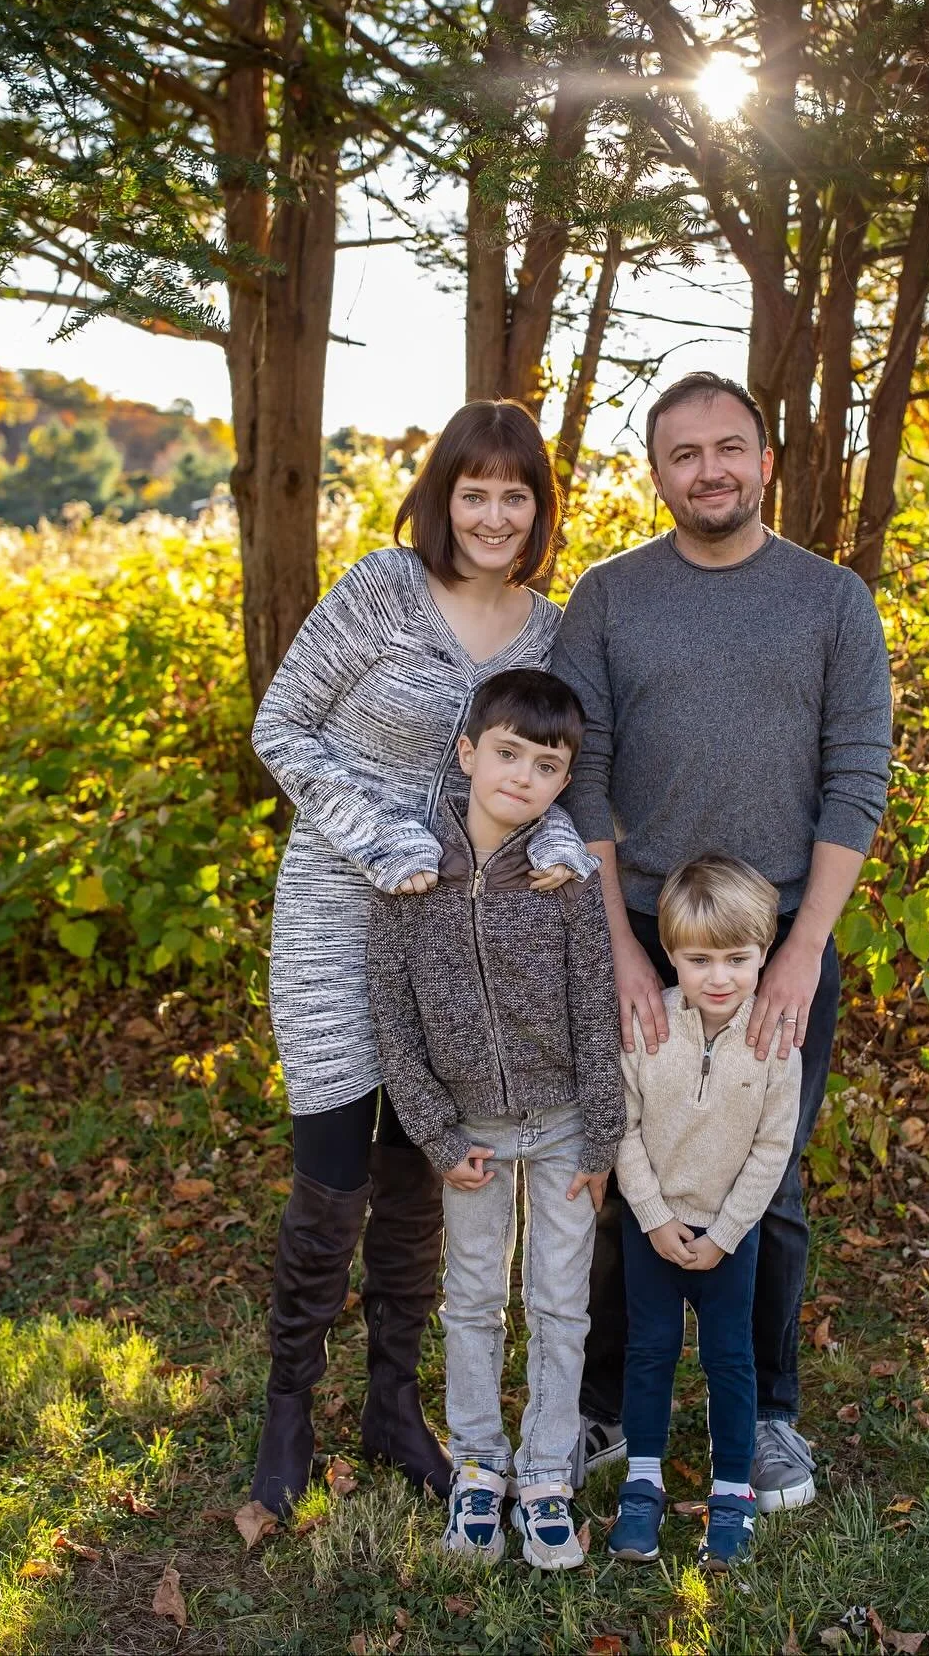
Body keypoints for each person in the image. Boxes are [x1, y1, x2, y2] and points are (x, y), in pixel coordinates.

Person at [552, 371, 893, 1510]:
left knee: (773, 1178)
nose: (710, 469)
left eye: (729, 447)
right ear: (656, 473)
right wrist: (619, 950)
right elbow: (582, 777)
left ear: (765, 459)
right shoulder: (607, 598)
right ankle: (604, 1407)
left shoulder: (832, 600)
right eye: (684, 453)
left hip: (780, 934)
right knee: (618, 1162)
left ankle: (775, 1418)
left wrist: (800, 953)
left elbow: (857, 781)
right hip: (643, 926)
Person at [247, 401, 591, 1517]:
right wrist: (382, 831)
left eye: (516, 494)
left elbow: (543, 766)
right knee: (335, 1172)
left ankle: (393, 1406)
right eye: (474, 491)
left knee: (417, 1173)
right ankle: (288, 1410)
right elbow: (281, 727)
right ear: (443, 498)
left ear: (539, 508)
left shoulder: (548, 630)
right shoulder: (380, 591)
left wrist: (561, 846)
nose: (495, 514)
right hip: (338, 918)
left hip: (461, 942)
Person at [366, 669, 623, 1570]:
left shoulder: (567, 882)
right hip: (468, 1131)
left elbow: (598, 1010)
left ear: (563, 781)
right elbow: (391, 1019)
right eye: (506, 754)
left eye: (545, 765)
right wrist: (437, 1135)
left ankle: (547, 1472)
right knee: (471, 1299)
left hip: (561, 1128)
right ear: (470, 753)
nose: (521, 776)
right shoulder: (409, 875)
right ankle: (479, 1466)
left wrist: (603, 1138)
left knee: (559, 1302)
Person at [607, 855, 800, 1571]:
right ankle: (643, 1481)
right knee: (650, 1351)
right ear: (671, 956)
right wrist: (654, 1216)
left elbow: (772, 1149)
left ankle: (731, 1492)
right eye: (698, 960)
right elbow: (621, 1128)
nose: (718, 977)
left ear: (764, 955)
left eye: (736, 959)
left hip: (730, 1233)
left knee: (730, 1359)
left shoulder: (776, 1041)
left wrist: (724, 1233)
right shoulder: (646, 1028)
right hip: (651, 1225)